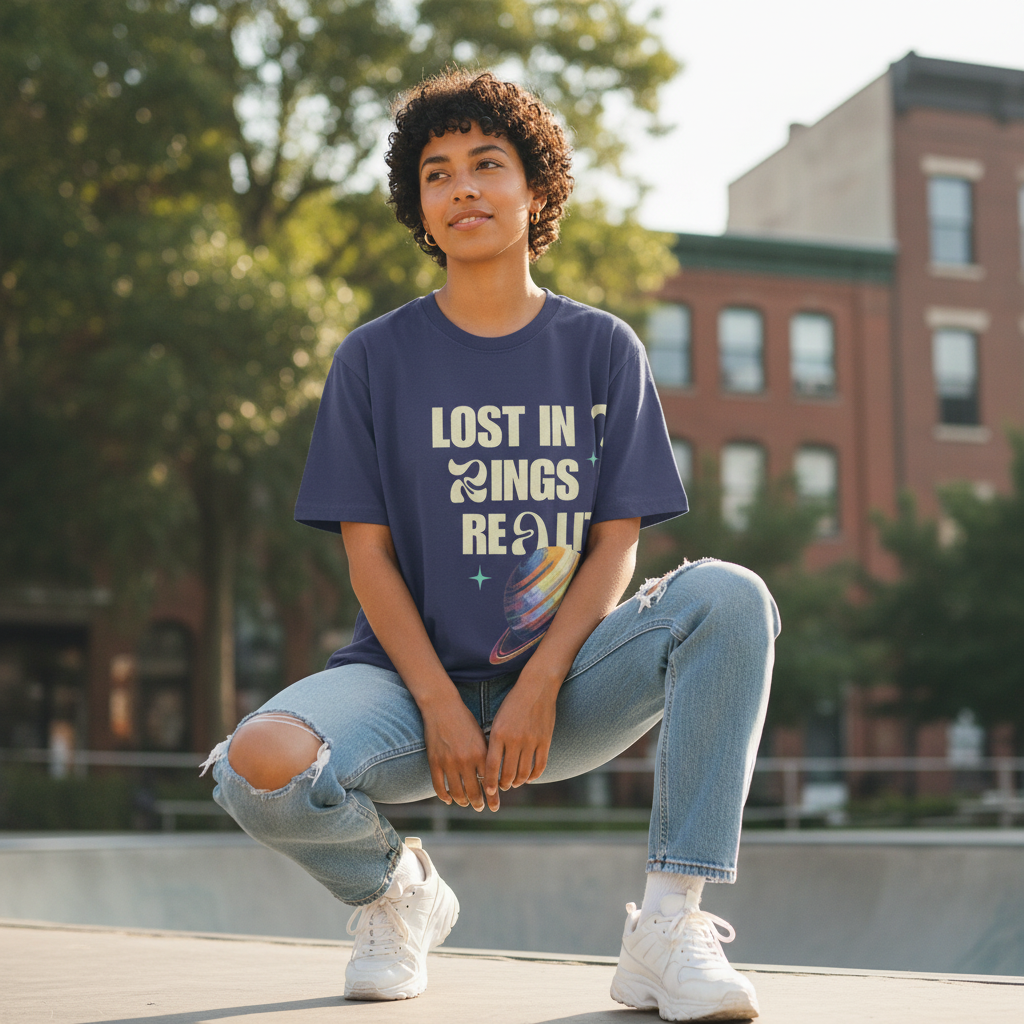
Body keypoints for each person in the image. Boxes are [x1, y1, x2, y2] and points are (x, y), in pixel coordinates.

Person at [202, 69, 779, 1022]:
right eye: (437, 173)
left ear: (536, 190)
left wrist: (539, 689)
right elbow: (369, 558)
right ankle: (396, 892)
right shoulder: (372, 360)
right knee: (255, 762)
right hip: (403, 685)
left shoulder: (601, 349)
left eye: (486, 163)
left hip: (570, 682)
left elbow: (614, 546)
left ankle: (668, 928)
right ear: (419, 209)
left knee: (730, 596)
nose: (463, 187)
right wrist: (438, 702)